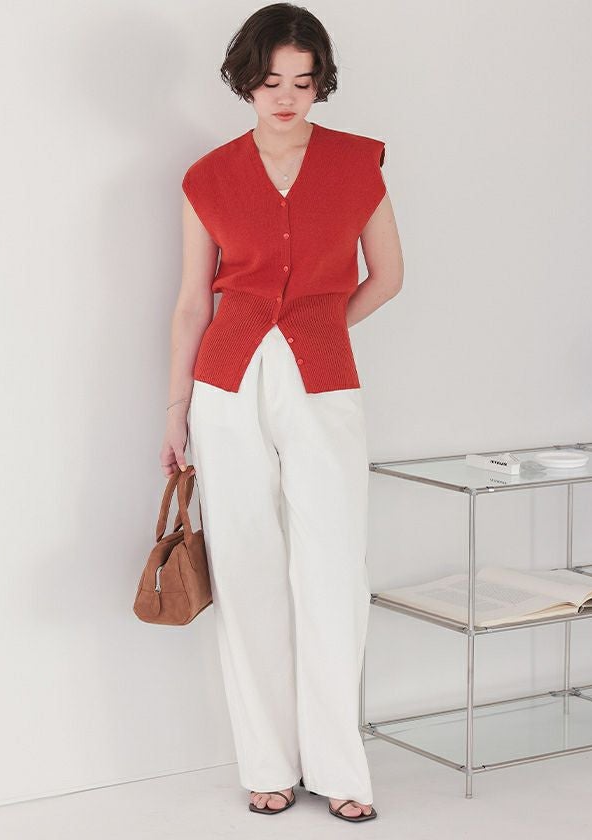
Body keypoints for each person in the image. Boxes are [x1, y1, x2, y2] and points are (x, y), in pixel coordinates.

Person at [160, 2, 403, 824]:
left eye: (303, 81)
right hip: (225, 385)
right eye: (271, 83)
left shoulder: (360, 163)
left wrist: (321, 328)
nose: (288, 97)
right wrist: (175, 409)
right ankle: (267, 762)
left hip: (324, 380)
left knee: (333, 567)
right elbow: (192, 303)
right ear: (245, 83)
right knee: (248, 567)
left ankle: (341, 766)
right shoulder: (207, 177)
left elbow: (388, 275)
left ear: (321, 81)